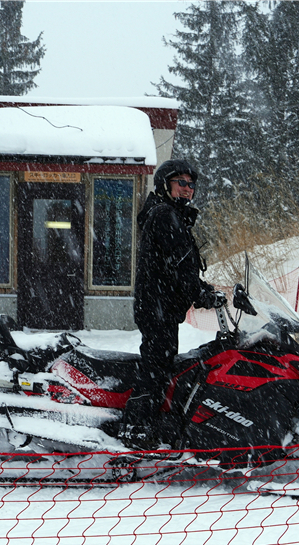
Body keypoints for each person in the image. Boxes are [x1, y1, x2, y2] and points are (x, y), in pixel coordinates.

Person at [119, 159, 224, 449]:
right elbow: (179, 268)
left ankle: (152, 422)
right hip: (157, 308)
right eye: (181, 183)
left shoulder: (171, 214)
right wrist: (200, 293)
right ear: (165, 185)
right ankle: (136, 429)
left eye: (191, 185)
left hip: (160, 306)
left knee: (161, 363)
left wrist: (202, 289)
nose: (188, 189)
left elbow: (180, 267)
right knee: (157, 367)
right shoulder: (166, 215)